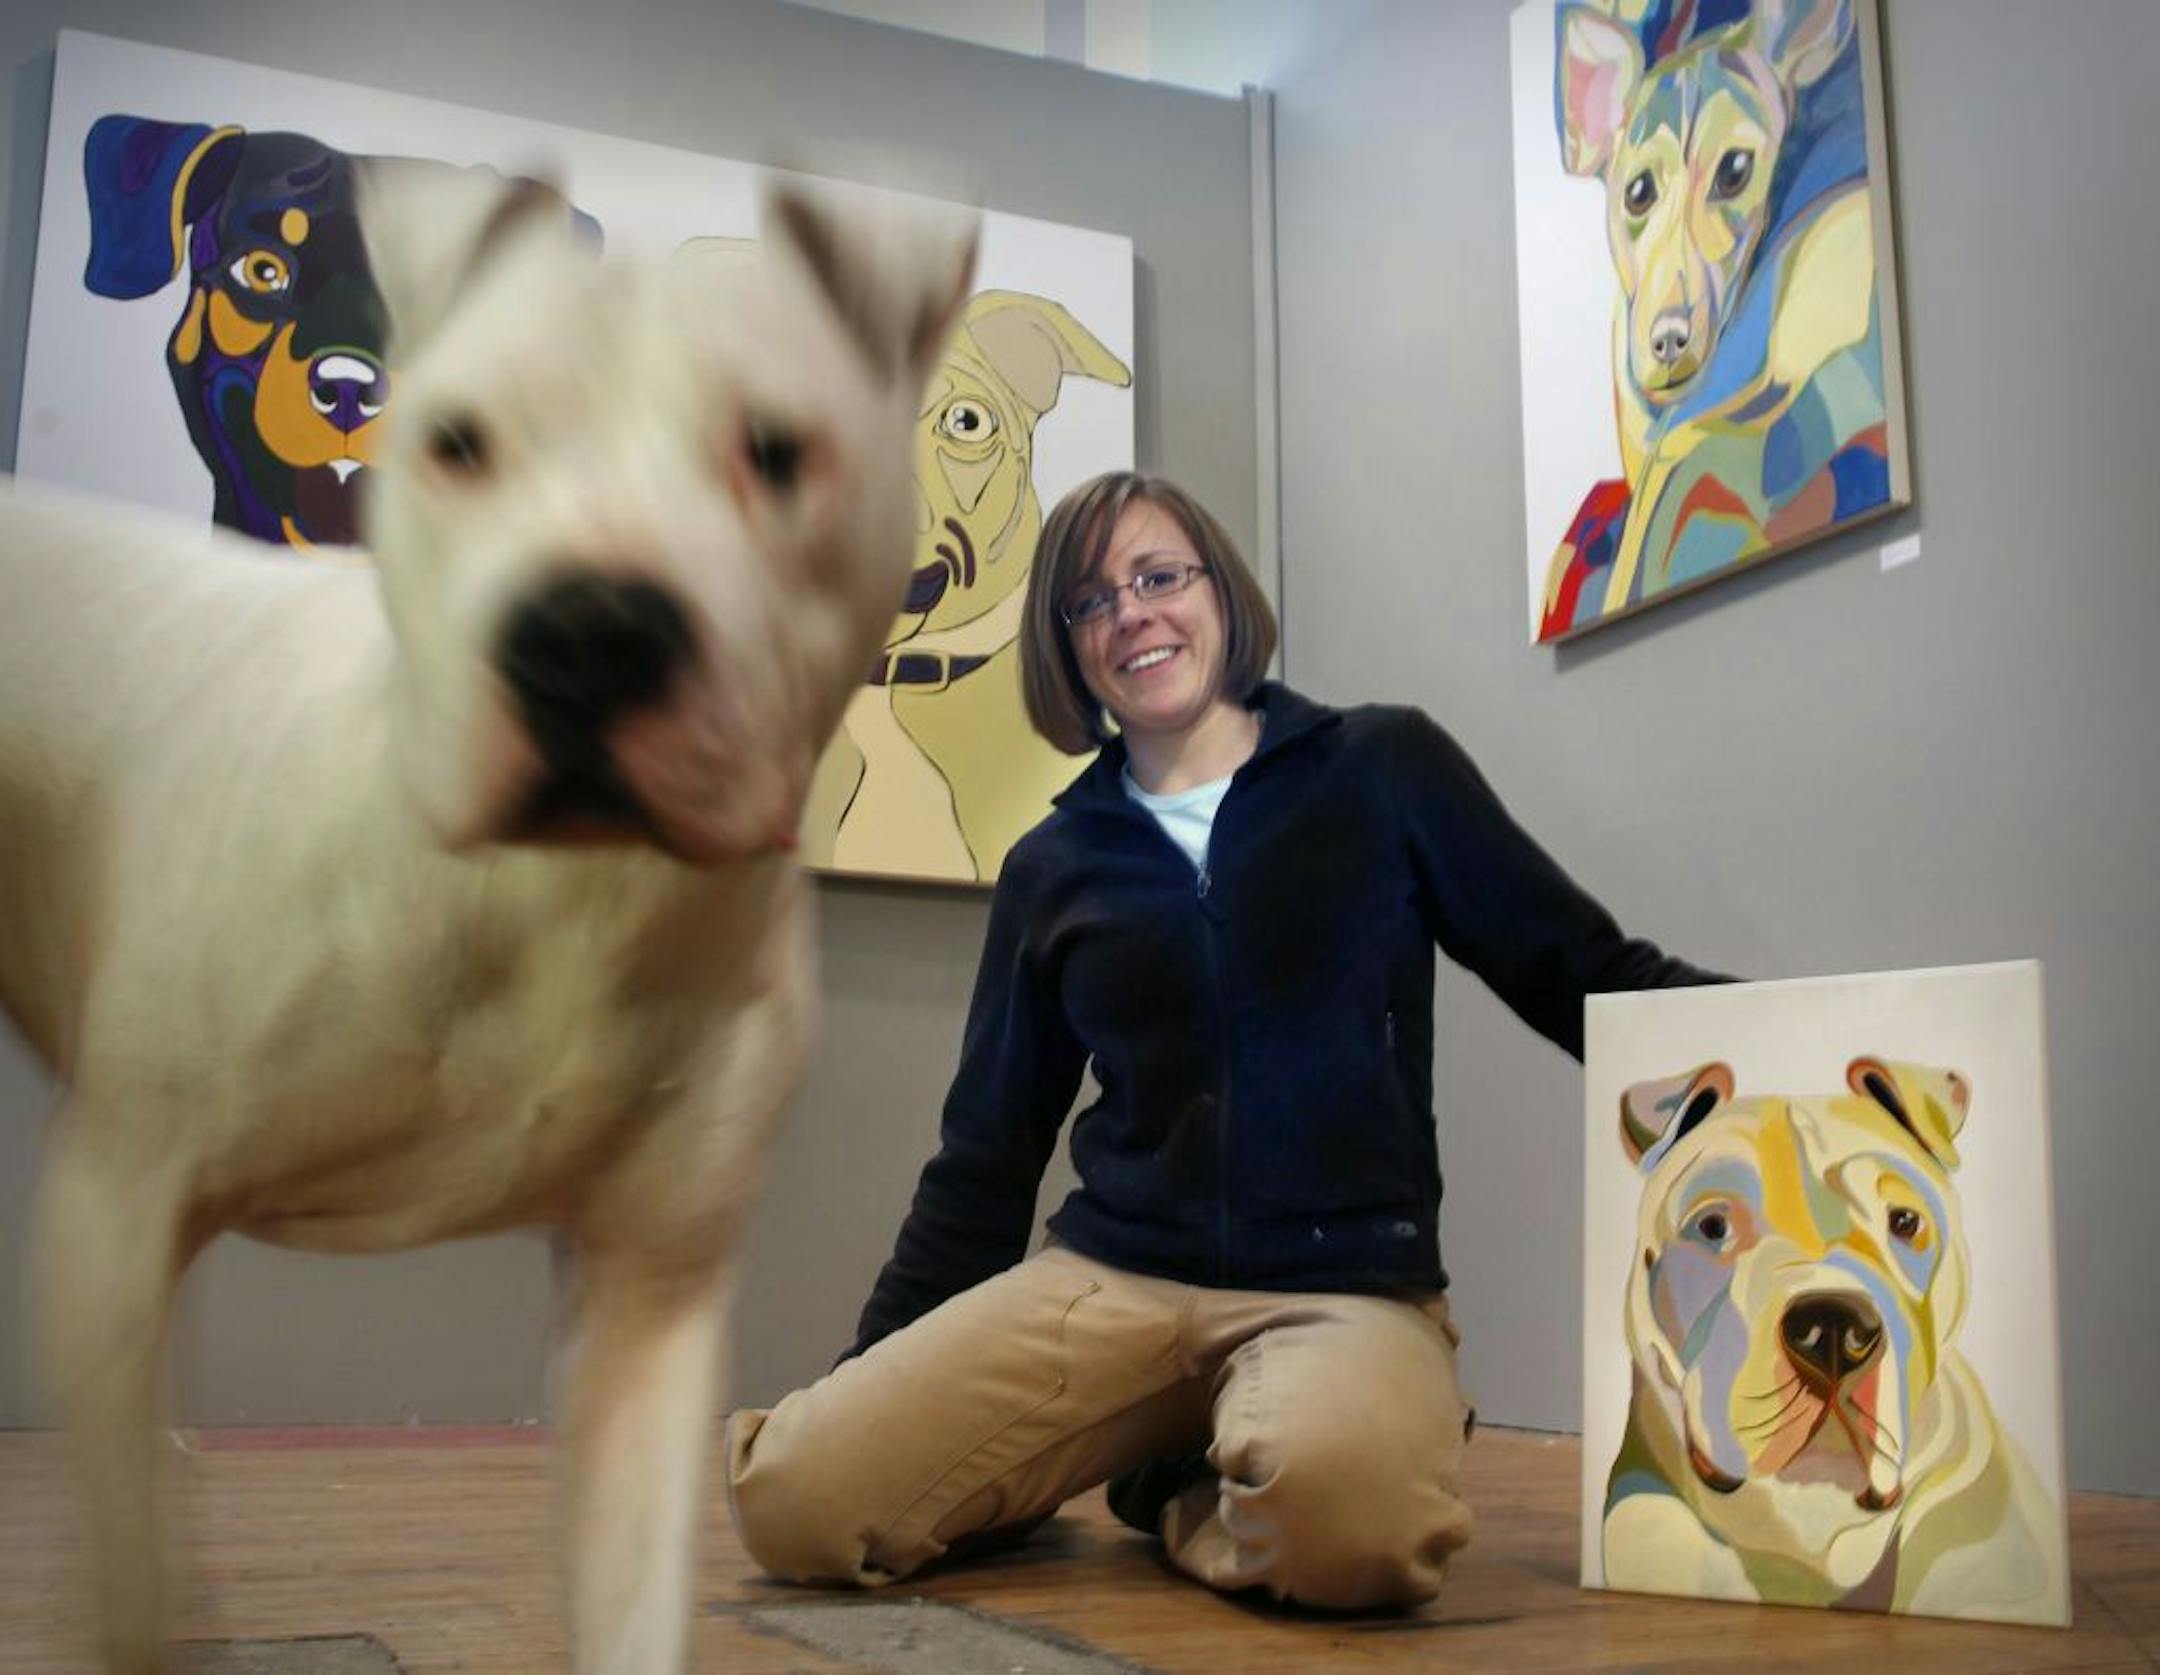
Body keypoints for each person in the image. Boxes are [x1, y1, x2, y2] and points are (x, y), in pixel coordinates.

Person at [725, 470, 1726, 1610]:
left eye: (1159, 577)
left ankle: (1179, 1484)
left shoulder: (1381, 769)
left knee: (1352, 1535)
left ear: (1218, 591)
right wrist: (881, 1391)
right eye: (1091, 602)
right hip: (1113, 1280)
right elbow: (986, 1157)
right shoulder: (1054, 868)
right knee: (795, 1495)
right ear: (1070, 649)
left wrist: (1806, 1036)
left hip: (1344, 1290)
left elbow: (1584, 975)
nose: (1131, 614)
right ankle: (1168, 1455)